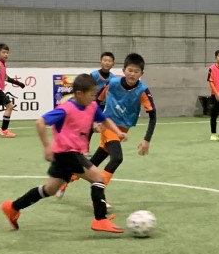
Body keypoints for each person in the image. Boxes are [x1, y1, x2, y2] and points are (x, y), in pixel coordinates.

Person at [0, 73, 125, 234]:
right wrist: (47, 147)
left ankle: (13, 207)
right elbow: (40, 122)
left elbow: (104, 119)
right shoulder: (66, 109)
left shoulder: (92, 106)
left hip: (65, 156)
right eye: (91, 95)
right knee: (98, 178)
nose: (94, 98)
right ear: (79, 94)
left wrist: (117, 132)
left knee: (50, 189)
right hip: (67, 153)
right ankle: (100, 219)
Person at [58, 53, 156, 205]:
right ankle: (99, 197)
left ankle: (65, 180)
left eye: (136, 71)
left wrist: (146, 140)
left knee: (92, 164)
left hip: (123, 129)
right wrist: (95, 120)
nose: (132, 74)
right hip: (109, 125)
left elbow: (153, 116)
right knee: (117, 158)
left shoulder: (142, 90)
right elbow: (96, 100)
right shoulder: (113, 84)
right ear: (124, 70)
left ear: (141, 73)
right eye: (130, 70)